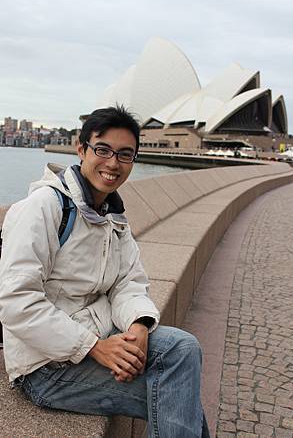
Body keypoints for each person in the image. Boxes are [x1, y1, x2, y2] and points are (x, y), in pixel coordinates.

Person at [0, 106, 209, 438]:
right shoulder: (44, 208)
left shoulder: (113, 216)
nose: (113, 163)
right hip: (45, 368)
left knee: (183, 352)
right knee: (179, 397)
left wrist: (139, 325)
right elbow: (16, 303)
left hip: (98, 336)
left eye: (125, 155)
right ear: (81, 149)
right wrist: (94, 346)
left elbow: (128, 282)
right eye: (103, 150)